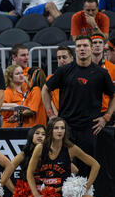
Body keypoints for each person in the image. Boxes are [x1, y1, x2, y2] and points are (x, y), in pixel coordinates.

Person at [41, 35, 115, 177]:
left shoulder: (101, 73)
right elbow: (45, 89)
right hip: (67, 126)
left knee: (87, 168)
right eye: (79, 46)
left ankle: (85, 196)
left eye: (85, 46)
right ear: (75, 50)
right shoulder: (64, 70)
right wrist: (50, 114)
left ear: (92, 48)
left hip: (90, 128)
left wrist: (106, 117)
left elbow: (113, 95)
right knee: (62, 166)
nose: (82, 49)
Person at [27, 117, 112, 197]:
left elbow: (95, 165)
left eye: (62, 128)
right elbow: (30, 173)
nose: (60, 131)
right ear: (50, 130)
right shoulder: (40, 148)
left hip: (67, 194)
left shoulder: (71, 148)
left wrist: (86, 187)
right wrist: (36, 195)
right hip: (49, 194)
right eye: (56, 128)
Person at [91, 33, 115, 123]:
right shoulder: (83, 68)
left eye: (100, 42)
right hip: (87, 112)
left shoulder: (113, 68)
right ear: (90, 46)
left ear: (103, 46)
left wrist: (108, 115)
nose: (97, 45)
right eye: (94, 42)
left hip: (107, 113)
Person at [48, 46, 75, 116]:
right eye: (59, 58)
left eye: (64, 57)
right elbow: (49, 98)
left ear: (72, 58)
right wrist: (53, 115)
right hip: (57, 116)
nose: (61, 60)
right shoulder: (50, 78)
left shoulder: (78, 76)